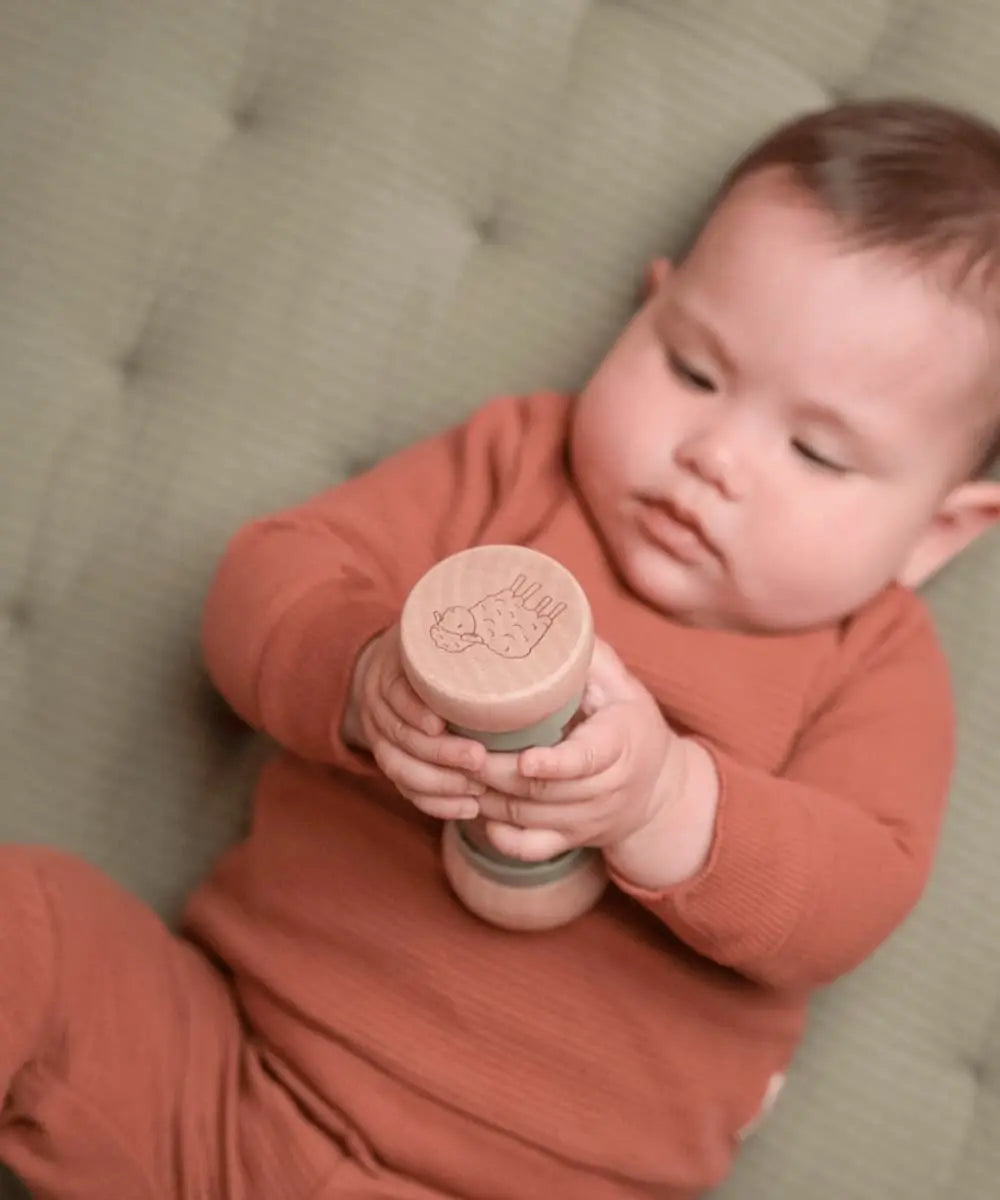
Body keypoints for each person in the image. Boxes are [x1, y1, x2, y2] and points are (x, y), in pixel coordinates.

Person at [3, 97, 1000, 1200]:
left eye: (816, 451)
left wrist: (665, 801)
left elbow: (854, 889)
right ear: (648, 309)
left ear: (937, 529)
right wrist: (363, 669)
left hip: (533, 1184)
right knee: (27, 926)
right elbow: (270, 575)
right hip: (226, 1074)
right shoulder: (515, 468)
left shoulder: (870, 658)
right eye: (693, 372)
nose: (714, 452)